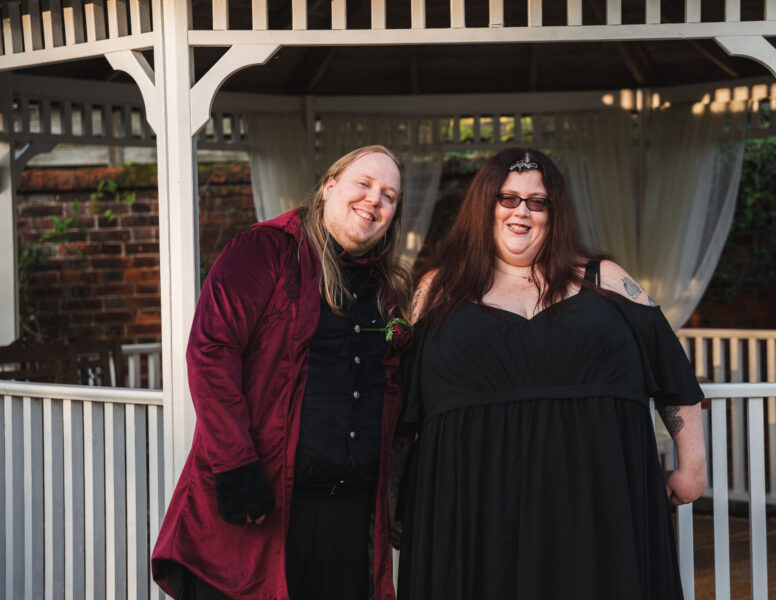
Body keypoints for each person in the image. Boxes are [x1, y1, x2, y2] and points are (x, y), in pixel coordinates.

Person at [396, 148, 707, 599]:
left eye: (536, 201)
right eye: (508, 198)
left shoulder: (606, 279)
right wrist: (390, 500)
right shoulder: (437, 289)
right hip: (473, 512)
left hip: (597, 507)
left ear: (553, 212)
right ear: (484, 204)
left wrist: (693, 467)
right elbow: (402, 402)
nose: (521, 211)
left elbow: (672, 371)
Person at [152, 145, 411, 600]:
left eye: (389, 195)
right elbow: (211, 352)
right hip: (268, 509)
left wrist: (393, 489)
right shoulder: (265, 249)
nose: (375, 199)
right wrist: (236, 466)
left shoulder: (385, 288)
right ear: (330, 186)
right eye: (364, 184)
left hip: (350, 521)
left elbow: (389, 392)